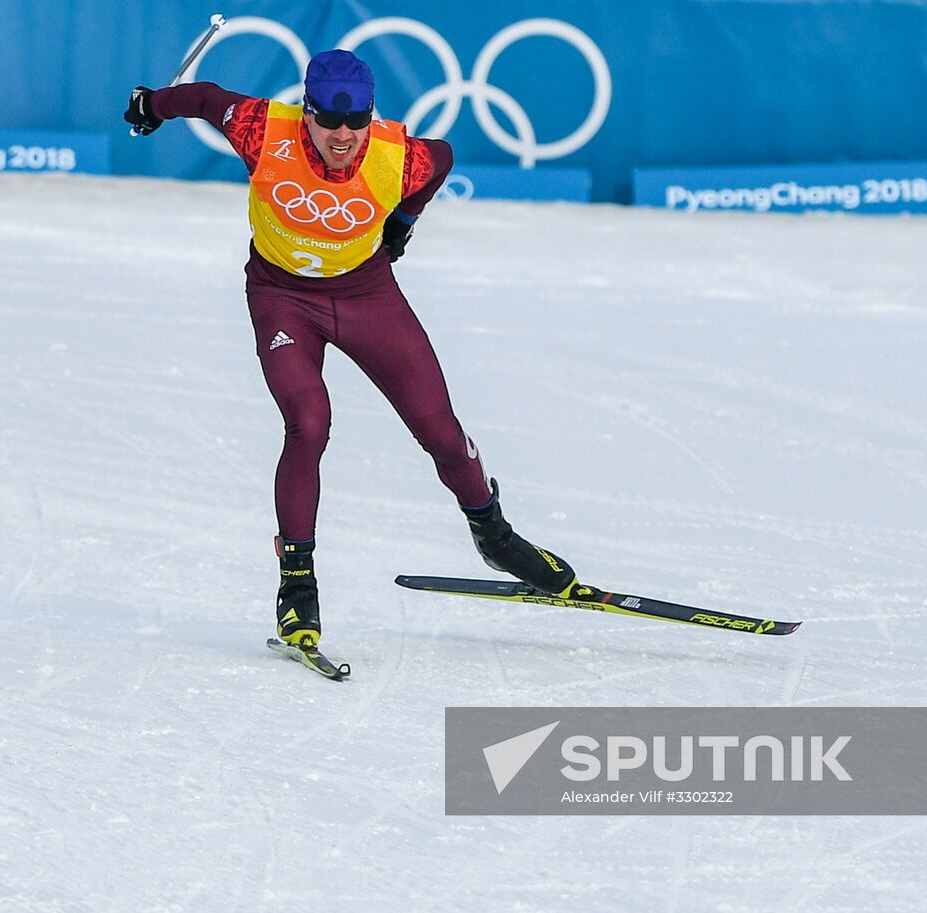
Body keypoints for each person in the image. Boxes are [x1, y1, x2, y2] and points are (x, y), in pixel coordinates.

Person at [125, 49, 586, 649]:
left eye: (356, 122)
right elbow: (206, 98)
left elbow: (442, 159)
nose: (342, 137)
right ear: (306, 113)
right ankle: (296, 584)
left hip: (366, 295)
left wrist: (403, 221)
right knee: (308, 423)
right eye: (327, 122)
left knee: (441, 430)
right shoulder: (265, 129)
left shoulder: (402, 156)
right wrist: (151, 105)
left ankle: (494, 535)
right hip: (283, 297)